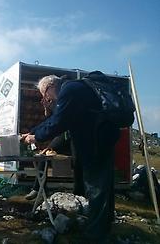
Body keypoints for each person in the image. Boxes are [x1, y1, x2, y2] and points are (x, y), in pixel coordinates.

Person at [23, 75, 120, 242]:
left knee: (95, 189)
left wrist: (35, 137)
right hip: (103, 140)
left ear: (50, 87)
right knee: (105, 186)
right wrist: (33, 132)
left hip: (94, 144)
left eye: (44, 94)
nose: (46, 99)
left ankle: (95, 236)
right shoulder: (74, 89)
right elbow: (57, 119)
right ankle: (105, 224)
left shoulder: (69, 91)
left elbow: (58, 122)